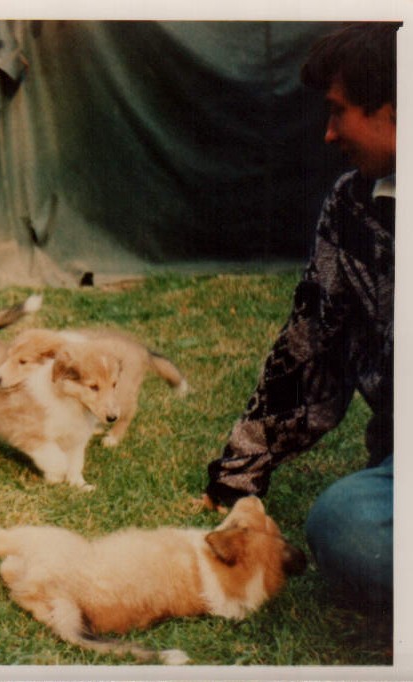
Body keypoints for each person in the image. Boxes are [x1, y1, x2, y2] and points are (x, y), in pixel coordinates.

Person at [202, 22, 397, 615]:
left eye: (339, 111)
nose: (328, 132)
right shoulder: (353, 206)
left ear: (396, 107)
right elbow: (312, 346)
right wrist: (239, 472)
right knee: (344, 523)